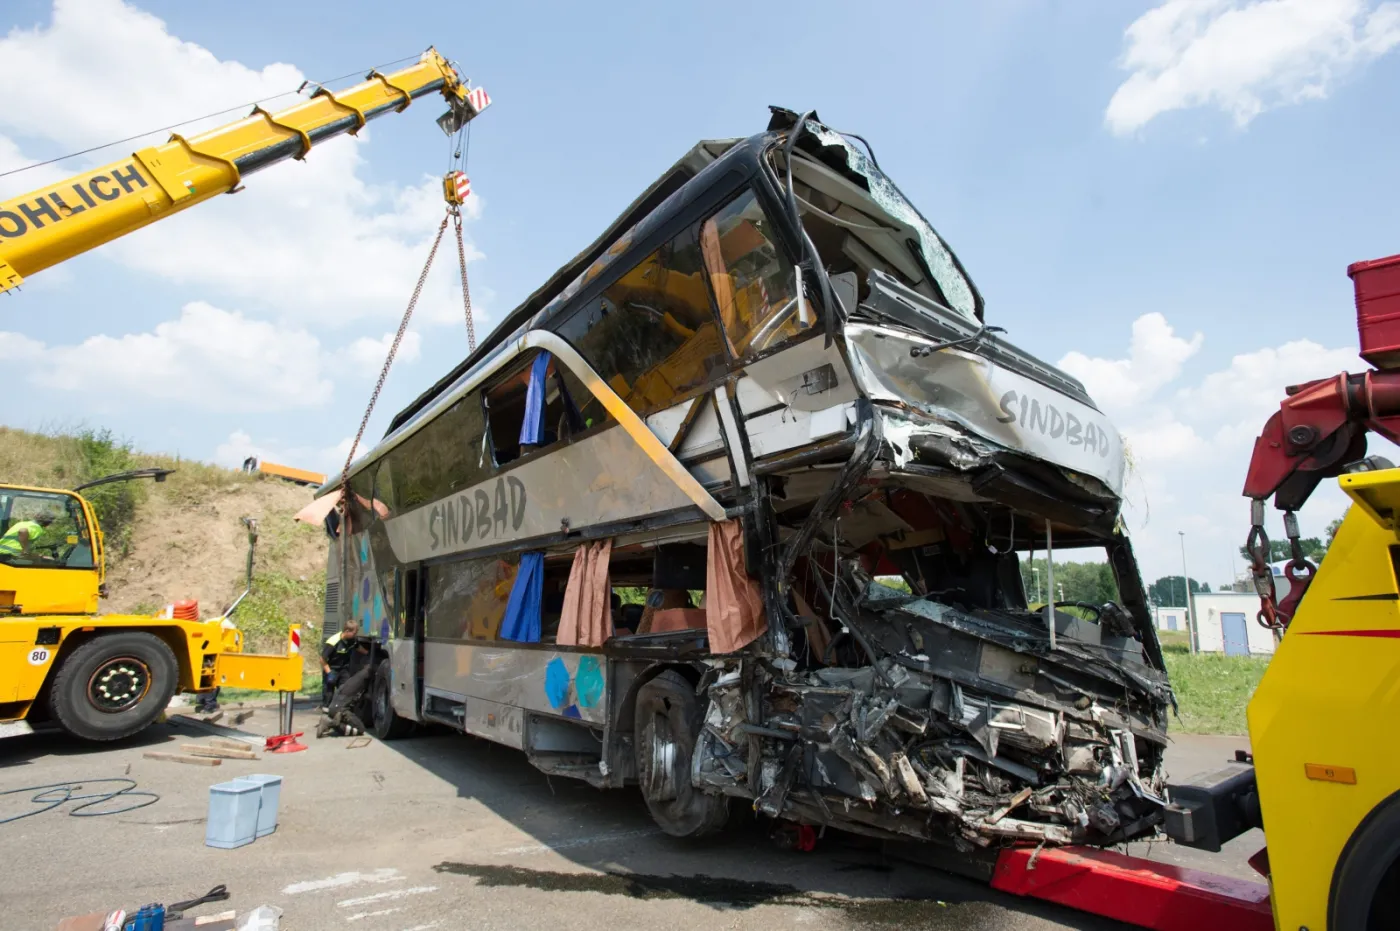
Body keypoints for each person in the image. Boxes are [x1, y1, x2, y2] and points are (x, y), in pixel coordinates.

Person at [321, 620, 363, 708]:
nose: (355, 635)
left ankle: (340, 709)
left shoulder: (351, 640)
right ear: (347, 631)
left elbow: (359, 648)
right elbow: (322, 659)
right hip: (331, 668)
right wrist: (329, 673)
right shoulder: (333, 641)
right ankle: (326, 709)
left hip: (343, 669)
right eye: (354, 633)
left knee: (345, 689)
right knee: (329, 693)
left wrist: (368, 654)